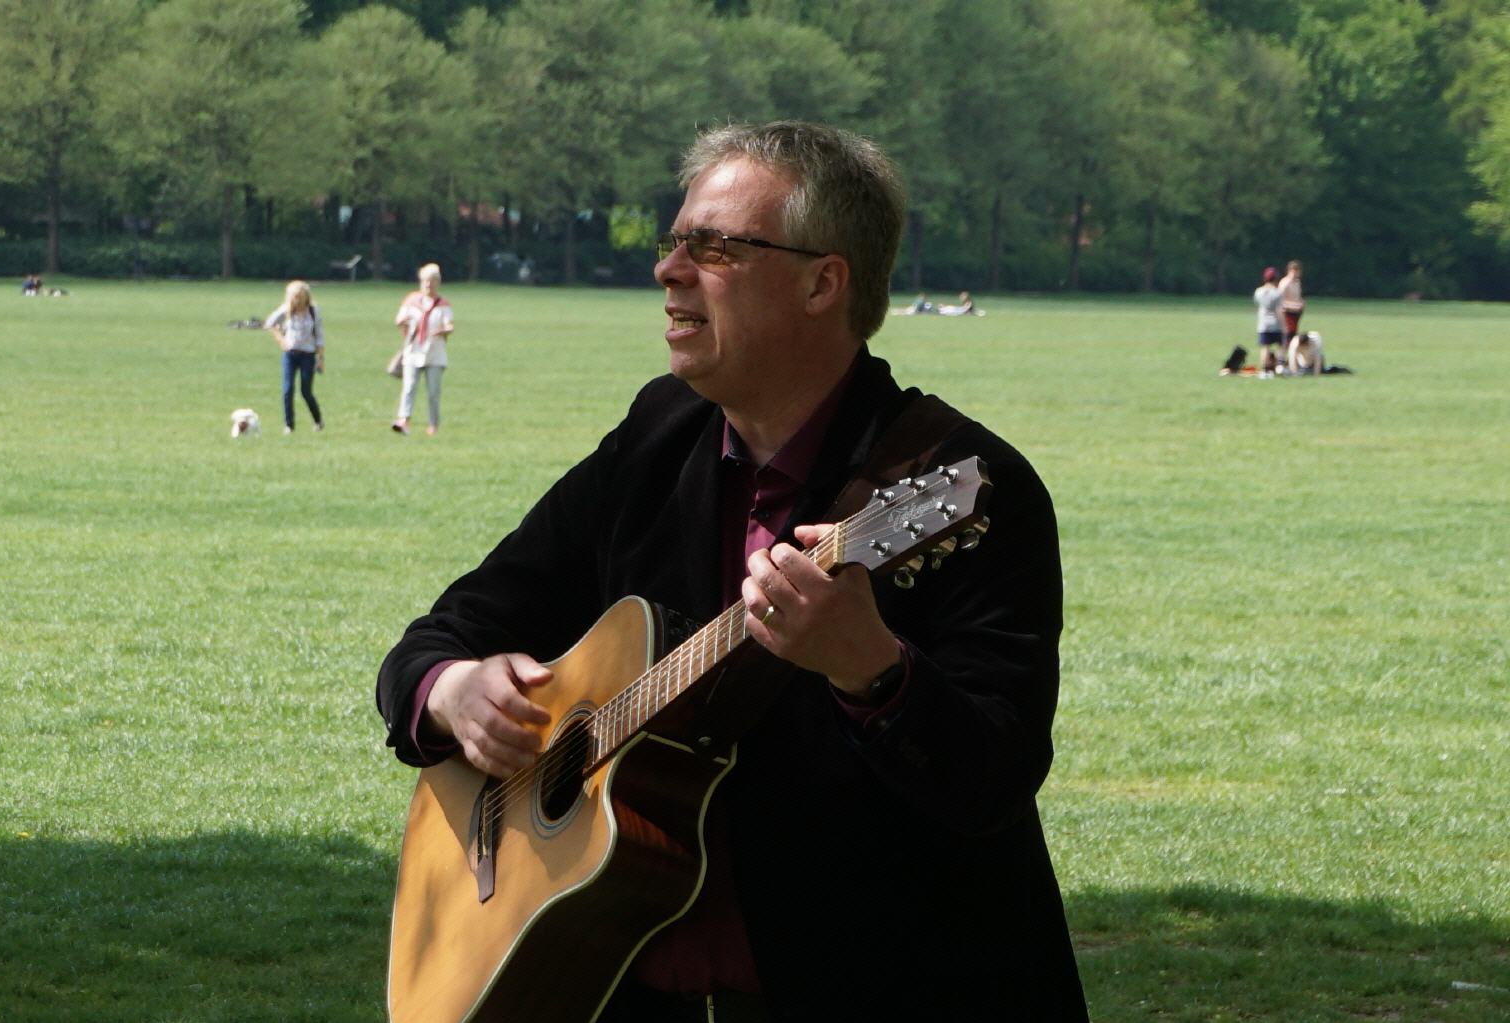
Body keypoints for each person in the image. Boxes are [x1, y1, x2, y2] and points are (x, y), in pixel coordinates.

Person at [377, 121, 1086, 1020]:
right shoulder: (657, 439)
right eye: (674, 241)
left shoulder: (968, 487)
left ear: (823, 281)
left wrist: (875, 673)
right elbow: (444, 634)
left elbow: (993, 777)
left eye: (713, 247)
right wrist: (452, 690)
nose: (669, 269)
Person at [392, 263, 453, 435]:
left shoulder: (443, 304)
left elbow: (450, 325)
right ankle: (404, 421)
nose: (428, 284)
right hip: (413, 351)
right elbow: (399, 320)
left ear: (438, 283)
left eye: (432, 281)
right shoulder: (411, 301)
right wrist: (404, 321)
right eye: (426, 281)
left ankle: (433, 424)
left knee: (433, 391)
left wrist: (444, 330)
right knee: (409, 387)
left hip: (435, 353)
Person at [263, 279, 324, 433]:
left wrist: (320, 358)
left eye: (300, 296)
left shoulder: (313, 311)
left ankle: (318, 420)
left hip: (308, 355)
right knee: (287, 389)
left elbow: (320, 336)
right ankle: (289, 425)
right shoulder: (287, 310)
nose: (297, 299)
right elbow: (269, 323)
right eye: (294, 296)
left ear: (306, 296)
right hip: (290, 354)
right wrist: (280, 339)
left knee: (306, 391)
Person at [1253, 266, 1284, 378]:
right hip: (1275, 323)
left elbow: (1258, 307)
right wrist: (1283, 325)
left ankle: (1264, 370)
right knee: (1280, 345)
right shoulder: (1277, 293)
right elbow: (1279, 310)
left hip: (1263, 324)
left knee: (1265, 347)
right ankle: (1279, 366)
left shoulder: (1258, 292)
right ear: (1275, 278)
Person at [1277, 259, 1305, 357]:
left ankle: (1290, 359)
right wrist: (1294, 305)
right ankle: (1280, 359)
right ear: (1289, 271)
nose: (1295, 274)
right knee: (1286, 338)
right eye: (1293, 271)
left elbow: (1298, 297)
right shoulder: (1285, 283)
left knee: (1293, 338)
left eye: (1297, 271)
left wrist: (1301, 303)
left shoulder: (1297, 283)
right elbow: (1280, 301)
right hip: (1287, 314)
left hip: (1296, 314)